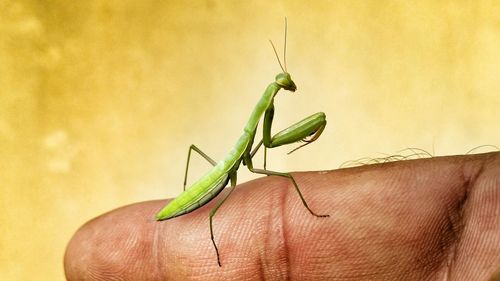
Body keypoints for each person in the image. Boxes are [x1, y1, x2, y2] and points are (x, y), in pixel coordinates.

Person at [64, 153, 500, 280]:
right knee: (276, 177)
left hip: (223, 180)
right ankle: (206, 227)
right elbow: (253, 162)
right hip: (206, 189)